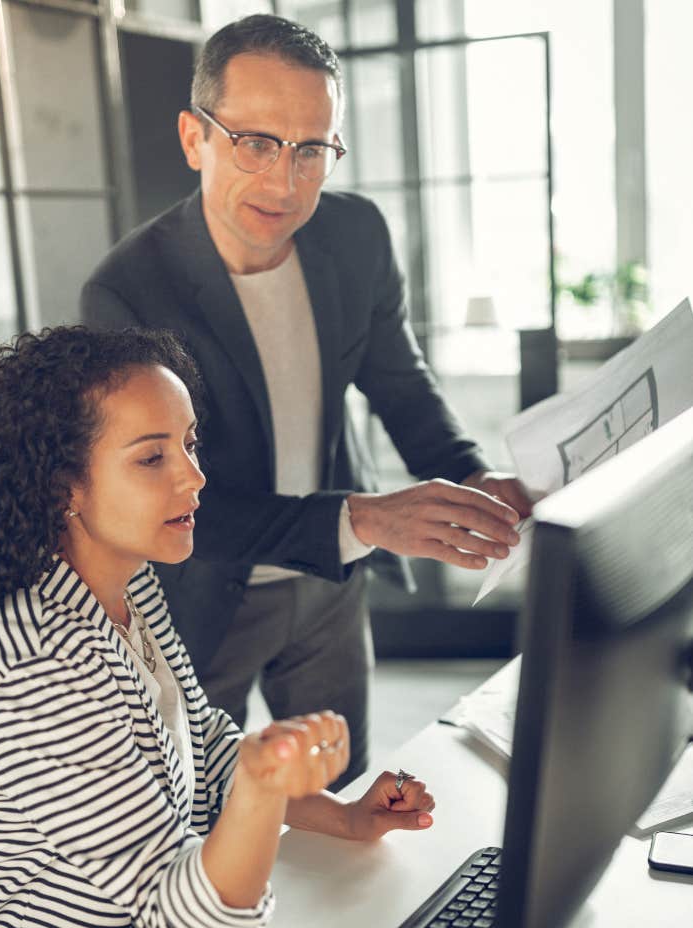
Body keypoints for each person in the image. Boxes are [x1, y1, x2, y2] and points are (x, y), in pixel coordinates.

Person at [0, 326, 436, 928]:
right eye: (152, 458)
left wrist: (345, 815)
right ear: (65, 484)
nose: (195, 476)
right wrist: (265, 793)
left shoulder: (127, 585)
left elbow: (204, 753)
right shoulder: (37, 669)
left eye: (188, 443)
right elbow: (200, 927)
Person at [81, 14, 533, 787]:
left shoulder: (356, 236)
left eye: (312, 150)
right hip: (198, 592)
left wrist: (470, 476)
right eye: (255, 142)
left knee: (341, 799)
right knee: (193, 809)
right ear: (195, 138)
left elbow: (401, 384)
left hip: (327, 587)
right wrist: (364, 518)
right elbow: (163, 497)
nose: (285, 182)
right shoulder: (126, 291)